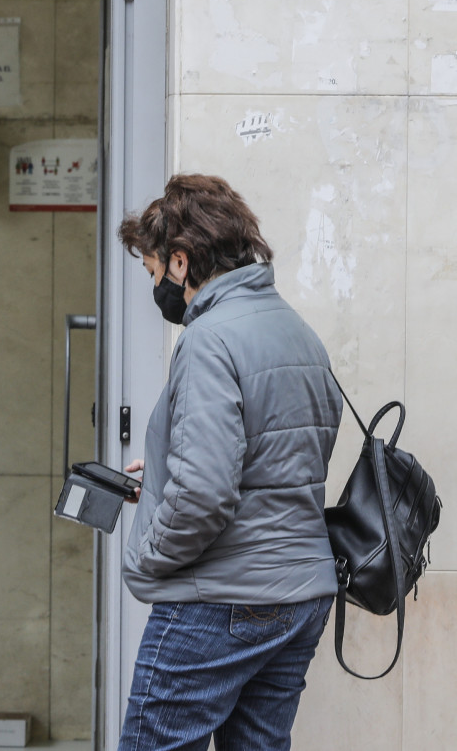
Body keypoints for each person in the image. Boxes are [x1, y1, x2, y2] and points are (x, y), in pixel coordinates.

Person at [116, 174, 343, 751]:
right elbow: (276, 460)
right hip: (299, 597)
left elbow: (204, 496)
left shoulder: (209, 338)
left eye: (153, 272)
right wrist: (167, 473)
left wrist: (147, 561)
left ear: (180, 262)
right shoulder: (298, 331)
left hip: (220, 599)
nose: (156, 291)